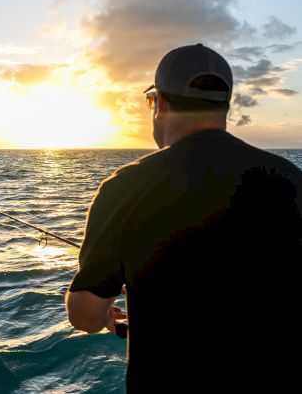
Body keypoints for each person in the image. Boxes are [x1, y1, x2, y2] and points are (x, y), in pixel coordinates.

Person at [65, 43, 302, 392]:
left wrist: (108, 319)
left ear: (158, 103)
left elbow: (84, 316)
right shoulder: (291, 179)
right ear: (226, 106)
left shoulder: (125, 187)